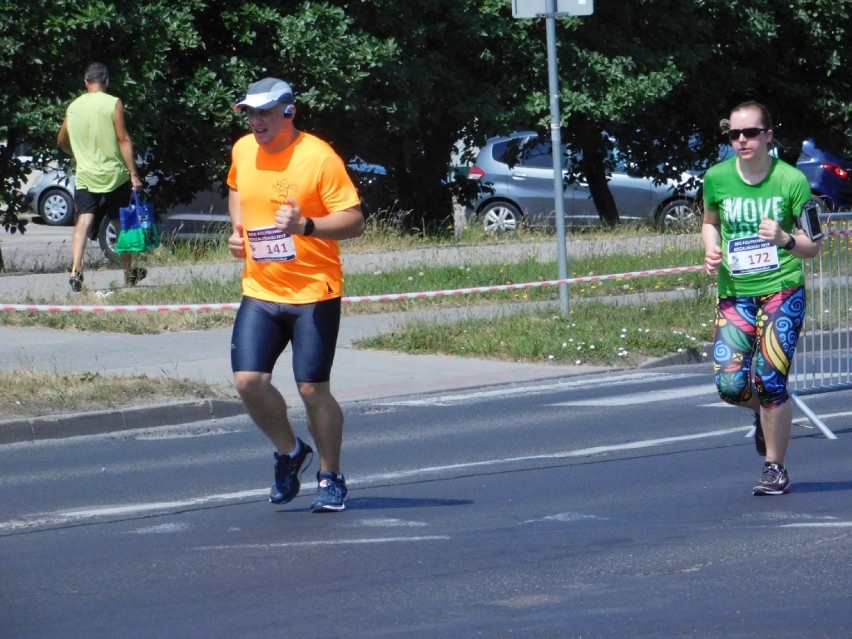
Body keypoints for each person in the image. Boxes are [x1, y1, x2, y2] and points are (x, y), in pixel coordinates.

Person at [227, 77, 364, 512]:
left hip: (313, 293)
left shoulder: (319, 158)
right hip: (262, 289)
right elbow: (236, 188)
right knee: (248, 381)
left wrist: (307, 227)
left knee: (311, 390)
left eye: (265, 112)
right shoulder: (243, 149)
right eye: (250, 112)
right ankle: (290, 452)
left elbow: (355, 220)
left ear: (289, 111)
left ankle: (330, 475)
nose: (256, 121)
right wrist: (237, 230)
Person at [702, 100, 822, 496]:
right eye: (734, 134)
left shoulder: (791, 181)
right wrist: (711, 248)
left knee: (770, 379)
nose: (741, 140)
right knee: (731, 385)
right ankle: (766, 415)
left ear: (768, 135)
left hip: (781, 291)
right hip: (735, 293)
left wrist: (785, 239)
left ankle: (775, 467)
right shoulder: (717, 178)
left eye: (750, 132)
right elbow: (710, 223)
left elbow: (812, 246)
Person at [57, 62, 146, 291]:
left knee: (83, 220)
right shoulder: (113, 103)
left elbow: (61, 141)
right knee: (120, 224)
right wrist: (134, 174)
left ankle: (76, 269)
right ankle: (128, 274)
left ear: (85, 82)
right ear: (106, 81)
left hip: (86, 174)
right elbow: (124, 139)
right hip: (114, 174)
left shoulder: (73, 106)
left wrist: (76, 153)